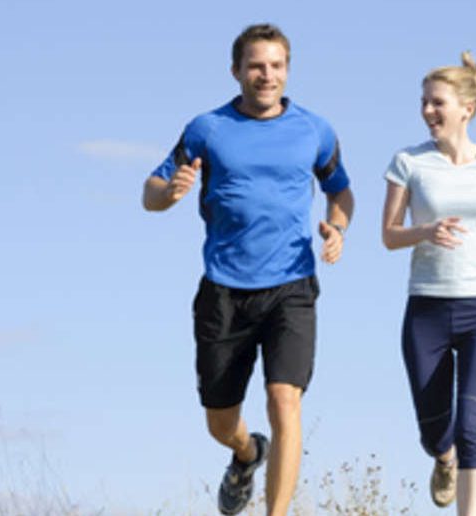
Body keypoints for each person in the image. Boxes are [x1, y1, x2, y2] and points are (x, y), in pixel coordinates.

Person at [142, 23, 354, 515]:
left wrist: (338, 228)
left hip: (291, 286)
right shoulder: (207, 128)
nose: (266, 75)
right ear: (236, 71)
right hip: (224, 290)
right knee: (220, 422)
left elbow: (340, 190)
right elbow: (150, 192)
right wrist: (170, 193)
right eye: (256, 66)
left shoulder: (314, 130)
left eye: (276, 65)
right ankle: (246, 452)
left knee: (284, 399)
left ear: (288, 70)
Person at [381, 51, 476, 515]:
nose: (427, 110)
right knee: (436, 431)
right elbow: (389, 235)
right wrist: (425, 231)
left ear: (466, 109)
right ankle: (442, 458)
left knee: (473, 426)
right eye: (424, 102)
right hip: (426, 311)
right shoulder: (408, 162)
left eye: (437, 103)